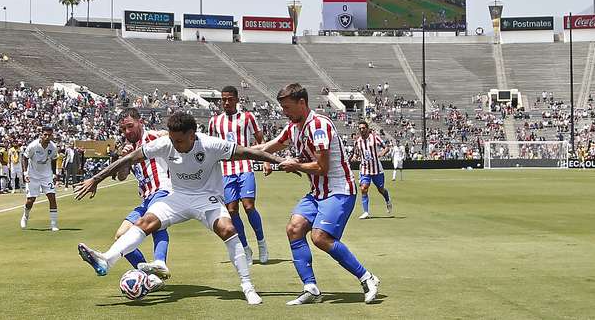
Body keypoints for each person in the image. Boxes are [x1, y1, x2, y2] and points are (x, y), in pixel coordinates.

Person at [74, 111, 285, 306]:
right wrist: (96, 178)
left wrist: (280, 161)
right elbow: (130, 158)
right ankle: (106, 261)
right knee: (145, 222)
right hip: (178, 197)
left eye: (180, 141)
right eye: (173, 140)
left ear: (193, 135)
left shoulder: (212, 144)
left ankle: (247, 286)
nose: (175, 145)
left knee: (228, 229)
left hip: (206, 198)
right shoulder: (165, 143)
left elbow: (248, 152)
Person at [253, 83, 381, 305]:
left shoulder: (319, 125)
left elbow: (322, 167)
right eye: (282, 107)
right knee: (294, 229)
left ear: (302, 103)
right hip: (318, 192)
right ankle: (310, 288)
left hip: (339, 190)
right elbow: (267, 147)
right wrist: (229, 152)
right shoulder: (293, 127)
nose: (284, 112)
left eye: (287, 107)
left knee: (320, 237)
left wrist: (295, 165)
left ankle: (367, 278)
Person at [207, 86, 269, 266]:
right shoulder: (214, 122)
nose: (226, 102)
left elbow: (260, 139)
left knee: (249, 206)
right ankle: (245, 248)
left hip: (245, 166)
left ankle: (262, 243)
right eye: (223, 99)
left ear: (237, 100)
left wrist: (266, 161)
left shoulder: (247, 117)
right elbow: (211, 146)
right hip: (225, 170)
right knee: (232, 210)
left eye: (230, 99)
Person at [113, 108, 173, 283]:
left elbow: (179, 140)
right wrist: (125, 159)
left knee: (156, 225)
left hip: (162, 189)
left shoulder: (153, 137)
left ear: (141, 122)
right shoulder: (129, 148)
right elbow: (122, 176)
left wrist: (167, 133)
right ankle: (150, 276)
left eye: (130, 126)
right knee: (120, 236)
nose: (127, 132)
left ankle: (160, 262)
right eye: (123, 129)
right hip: (146, 197)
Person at [21, 125, 59, 231]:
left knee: (52, 197)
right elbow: (24, 157)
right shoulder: (33, 146)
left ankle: (53, 224)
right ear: (41, 135)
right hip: (33, 175)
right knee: (30, 200)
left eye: (49, 135)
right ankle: (25, 216)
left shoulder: (53, 147)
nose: (47, 137)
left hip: (46, 176)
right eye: (45, 135)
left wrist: (54, 174)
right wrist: (25, 173)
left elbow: (54, 160)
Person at [353, 120, 392, 219]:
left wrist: (382, 153)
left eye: (363, 128)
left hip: (376, 169)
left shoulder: (374, 137)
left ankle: (387, 200)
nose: (362, 130)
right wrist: (354, 157)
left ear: (367, 129)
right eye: (360, 128)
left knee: (381, 189)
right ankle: (366, 212)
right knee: (363, 188)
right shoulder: (358, 141)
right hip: (365, 169)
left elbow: (386, 147)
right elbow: (356, 153)